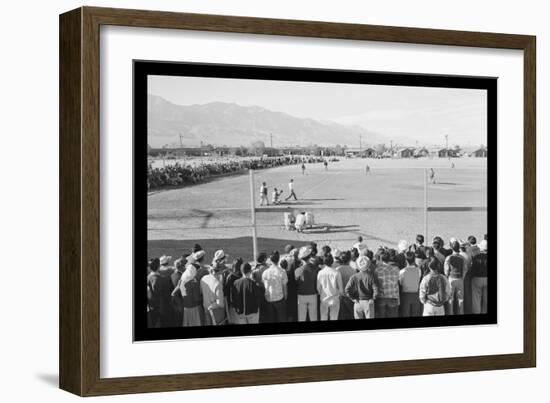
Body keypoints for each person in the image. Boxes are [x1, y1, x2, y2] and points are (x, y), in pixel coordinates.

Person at [147, 258, 175, 328]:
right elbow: (166, 295)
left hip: (152, 306)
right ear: (159, 266)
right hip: (161, 307)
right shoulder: (161, 279)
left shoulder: (148, 277)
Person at [262, 251, 288, 323]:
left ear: (270, 260)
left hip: (269, 299)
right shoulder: (282, 271)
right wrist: (285, 297)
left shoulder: (265, 272)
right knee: (282, 319)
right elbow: (284, 286)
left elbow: (265, 286)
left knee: (271, 320)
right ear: (279, 259)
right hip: (280, 299)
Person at [316, 254, 344, 320]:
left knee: (323, 316)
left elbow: (318, 287)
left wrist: (320, 293)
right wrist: (340, 294)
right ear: (332, 262)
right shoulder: (336, 272)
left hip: (324, 298)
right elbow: (341, 288)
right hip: (335, 298)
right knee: (334, 317)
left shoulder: (320, 272)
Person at [295, 246, 319, 322]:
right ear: (310, 257)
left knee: (301, 318)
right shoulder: (316, 269)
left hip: (301, 295)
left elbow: (297, 282)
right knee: (313, 317)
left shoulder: (297, 270)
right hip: (313, 294)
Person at [374, 249, 400, 318]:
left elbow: (375, 283)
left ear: (381, 259)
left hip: (381, 297)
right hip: (393, 297)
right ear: (389, 259)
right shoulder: (396, 269)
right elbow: (399, 280)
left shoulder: (377, 270)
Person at [444, 240, 466, 315]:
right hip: (460, 278)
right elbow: (465, 269)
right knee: (460, 299)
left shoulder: (449, 258)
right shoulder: (462, 258)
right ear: (459, 248)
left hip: (451, 279)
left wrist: (447, 277)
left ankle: (450, 313)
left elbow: (446, 270)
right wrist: (462, 277)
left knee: (450, 299)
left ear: (451, 248)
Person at [334, 250, 356, 320]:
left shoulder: (337, 270)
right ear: (349, 259)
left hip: (340, 297)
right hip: (350, 297)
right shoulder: (353, 270)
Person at [399, 251, 422, 317]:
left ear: (406, 260)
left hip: (405, 295)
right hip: (416, 295)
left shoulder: (402, 271)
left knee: (405, 314)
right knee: (415, 314)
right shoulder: (419, 270)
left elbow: (401, 283)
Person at [179, 263, 202, 327]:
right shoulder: (193, 283)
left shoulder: (182, 280)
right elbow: (196, 298)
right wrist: (202, 298)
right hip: (193, 307)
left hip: (185, 307)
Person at [223, 258, 243, 324]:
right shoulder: (243, 276)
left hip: (233, 305)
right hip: (242, 304)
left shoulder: (230, 276)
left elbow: (226, 292)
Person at [470, 240, 488, 314]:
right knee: (486, 299)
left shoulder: (476, 257)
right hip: (486, 279)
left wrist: (471, 277)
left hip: (477, 279)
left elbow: (473, 269)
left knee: (476, 299)